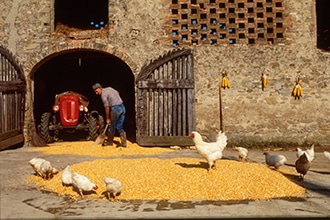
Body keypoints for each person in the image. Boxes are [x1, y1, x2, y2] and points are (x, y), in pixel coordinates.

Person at [92, 83, 127, 147]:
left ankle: (109, 142)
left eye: (96, 91)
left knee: (111, 126)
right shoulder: (110, 88)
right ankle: (124, 144)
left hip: (116, 108)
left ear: (100, 88)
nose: (96, 93)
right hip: (122, 107)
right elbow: (118, 93)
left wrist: (107, 118)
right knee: (119, 126)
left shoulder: (103, 95)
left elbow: (107, 107)